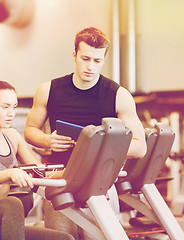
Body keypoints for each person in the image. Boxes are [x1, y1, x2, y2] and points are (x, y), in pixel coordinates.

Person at [24, 27, 147, 239]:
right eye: (85, 58)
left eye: (97, 61)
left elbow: (140, 147)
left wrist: (103, 148)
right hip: (60, 183)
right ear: (74, 55)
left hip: (100, 186)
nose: (90, 67)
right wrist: (47, 140)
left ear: (104, 60)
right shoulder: (48, 89)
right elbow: (29, 130)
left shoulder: (119, 95)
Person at [0, 80, 74, 240]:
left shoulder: (12, 136)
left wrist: (69, 173)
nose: (11, 113)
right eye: (5, 107)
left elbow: (41, 171)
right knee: (12, 203)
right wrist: (11, 173)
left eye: (14, 107)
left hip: (1, 226)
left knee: (64, 239)